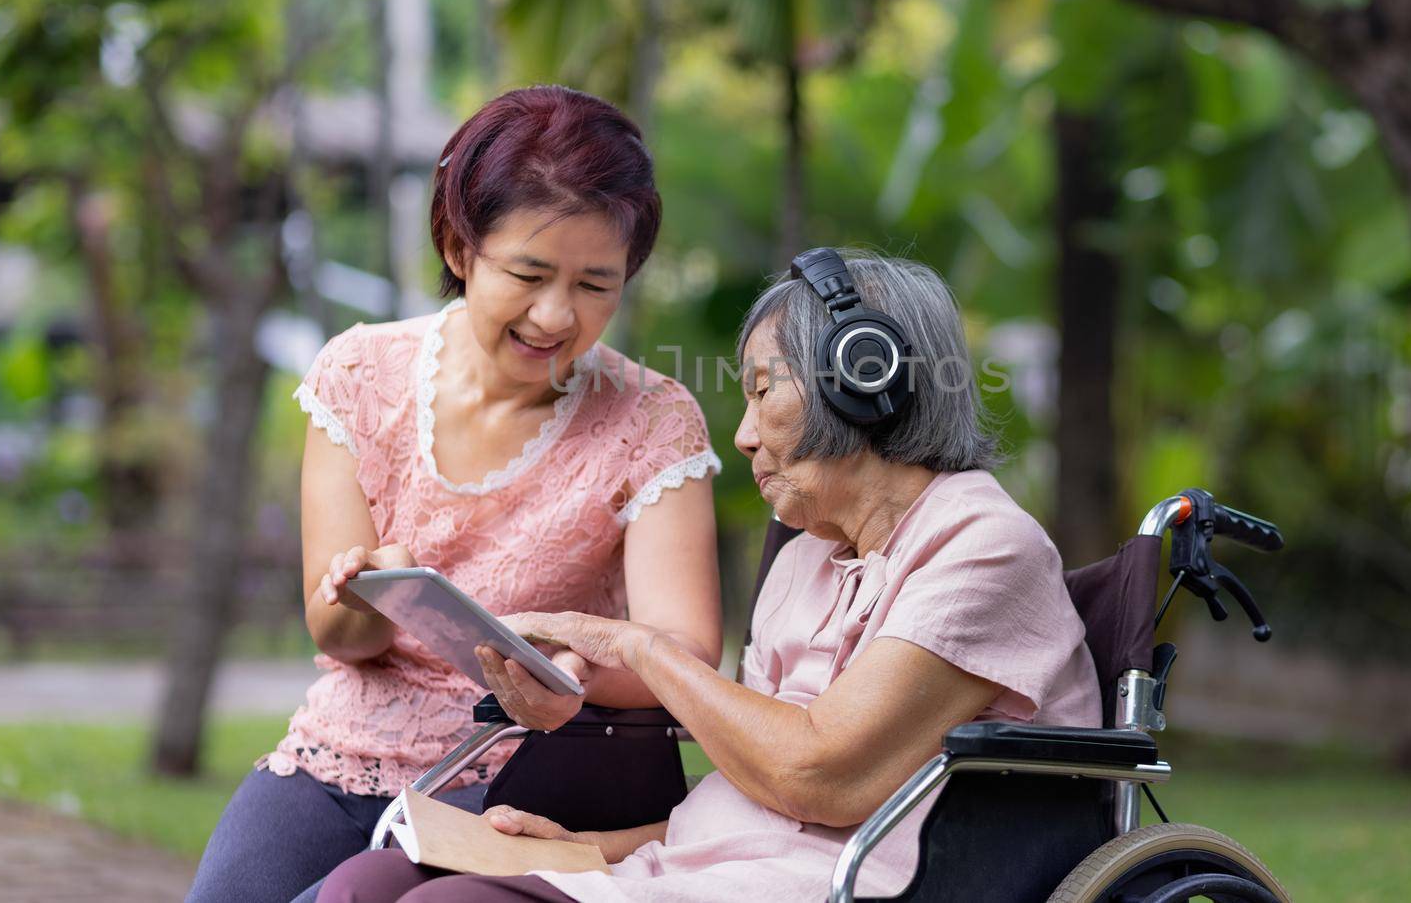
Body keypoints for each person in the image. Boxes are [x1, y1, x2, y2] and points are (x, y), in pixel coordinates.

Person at [315, 251, 1100, 903]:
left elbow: (811, 776)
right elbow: (753, 802)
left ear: (866, 377)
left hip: (838, 883)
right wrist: (589, 848)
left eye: (763, 390)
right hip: (715, 871)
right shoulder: (806, 559)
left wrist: (639, 646)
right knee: (364, 887)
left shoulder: (983, 545)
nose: (743, 434)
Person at [187, 87, 725, 903]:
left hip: (530, 769)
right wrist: (376, 593)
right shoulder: (360, 375)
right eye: (529, 273)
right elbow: (337, 633)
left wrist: (574, 671)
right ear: (459, 244)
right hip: (344, 752)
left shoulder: (653, 421)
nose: (556, 314)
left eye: (595, 284)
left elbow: (683, 651)